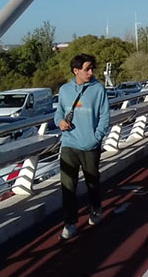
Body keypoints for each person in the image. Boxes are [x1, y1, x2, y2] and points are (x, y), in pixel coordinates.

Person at [54, 53, 110, 240]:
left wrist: (96, 138)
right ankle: (70, 222)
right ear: (76, 71)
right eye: (87, 69)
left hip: (90, 145)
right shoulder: (64, 90)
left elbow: (104, 116)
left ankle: (96, 208)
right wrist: (60, 121)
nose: (91, 72)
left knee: (92, 181)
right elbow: (59, 112)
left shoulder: (98, 89)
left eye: (92, 68)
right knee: (68, 186)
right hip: (69, 144)